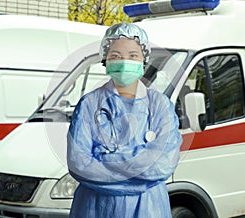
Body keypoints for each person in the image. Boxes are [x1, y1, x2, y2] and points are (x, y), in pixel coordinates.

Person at [67, 22, 182, 218]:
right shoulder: (89, 105)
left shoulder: (160, 105)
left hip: (148, 208)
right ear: (105, 59)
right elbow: (79, 164)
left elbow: (162, 165)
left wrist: (105, 159)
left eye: (133, 56)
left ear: (144, 60)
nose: (124, 62)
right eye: (116, 56)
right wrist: (138, 162)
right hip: (95, 208)